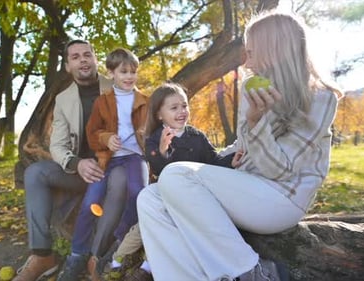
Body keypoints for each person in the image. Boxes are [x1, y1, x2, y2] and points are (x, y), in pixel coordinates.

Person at [136, 11, 342, 281]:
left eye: (253, 53)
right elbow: (242, 146)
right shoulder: (252, 89)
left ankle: (252, 273)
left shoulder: (320, 99)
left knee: (175, 174)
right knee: (150, 197)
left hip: (282, 198)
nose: (247, 62)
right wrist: (214, 161)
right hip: (246, 187)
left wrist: (256, 123)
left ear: (276, 50)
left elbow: (279, 171)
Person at [13, 40, 128, 281]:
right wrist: (77, 164)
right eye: (75, 57)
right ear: (67, 66)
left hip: (114, 170)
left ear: (96, 60)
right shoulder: (63, 99)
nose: (83, 60)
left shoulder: (119, 88)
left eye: (87, 55)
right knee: (34, 173)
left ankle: (97, 258)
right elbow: (57, 145)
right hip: (78, 173)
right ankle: (42, 255)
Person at [104, 82, 238, 281]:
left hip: (192, 198)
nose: (182, 111)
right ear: (160, 114)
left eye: (184, 105)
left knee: (173, 231)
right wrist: (162, 151)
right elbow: (158, 168)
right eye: (174, 108)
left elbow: (212, 162)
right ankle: (116, 263)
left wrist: (231, 160)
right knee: (143, 228)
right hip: (163, 195)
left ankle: (148, 267)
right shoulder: (155, 139)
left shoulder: (197, 136)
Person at [56, 47, 149, 281]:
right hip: (107, 159)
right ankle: (77, 254)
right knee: (91, 201)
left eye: (133, 72)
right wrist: (107, 138)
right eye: (123, 72)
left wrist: (144, 134)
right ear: (111, 74)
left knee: (138, 192)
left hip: (135, 157)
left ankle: (120, 238)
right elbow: (92, 133)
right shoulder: (103, 101)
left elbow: (153, 130)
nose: (129, 77)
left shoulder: (144, 101)